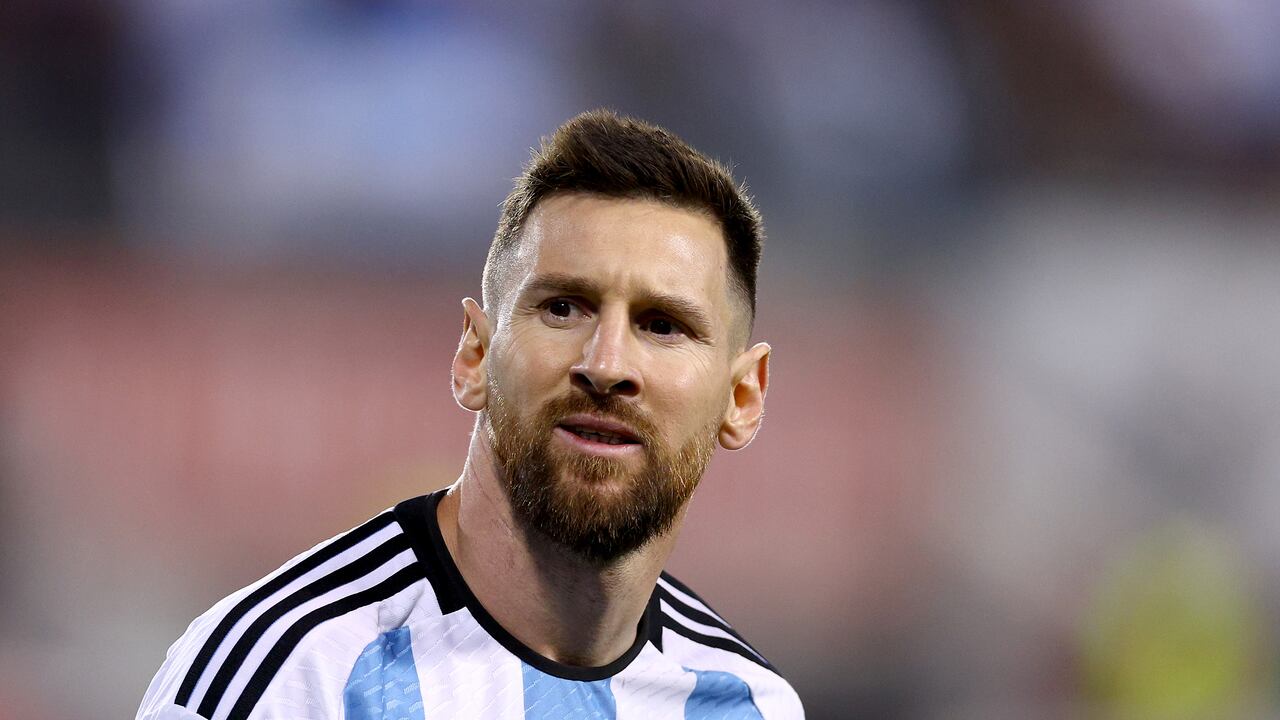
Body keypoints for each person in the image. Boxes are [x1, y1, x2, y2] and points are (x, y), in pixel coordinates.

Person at [137, 109, 804, 720]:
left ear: (743, 398)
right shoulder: (288, 678)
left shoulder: (749, 704)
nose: (606, 364)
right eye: (563, 307)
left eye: (662, 325)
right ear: (475, 355)